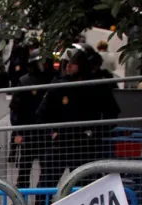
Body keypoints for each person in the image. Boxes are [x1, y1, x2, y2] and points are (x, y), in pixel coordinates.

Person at [36, 43, 120, 192]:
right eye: (67, 63)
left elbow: (113, 114)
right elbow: (42, 114)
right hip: (60, 144)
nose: (68, 67)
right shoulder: (59, 86)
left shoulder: (98, 86)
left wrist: (95, 133)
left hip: (85, 146)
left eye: (73, 63)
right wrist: (52, 132)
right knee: (46, 186)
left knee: (84, 188)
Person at [9, 49, 53, 205]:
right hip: (28, 131)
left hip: (45, 132)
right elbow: (16, 108)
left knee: (47, 167)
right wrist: (18, 132)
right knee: (24, 167)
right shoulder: (25, 81)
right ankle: (19, 199)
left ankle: (43, 201)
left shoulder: (51, 80)